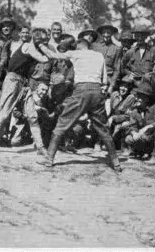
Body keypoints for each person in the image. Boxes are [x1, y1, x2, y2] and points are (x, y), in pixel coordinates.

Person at [35, 38, 122, 172]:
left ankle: (48, 159)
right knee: (103, 129)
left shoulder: (76, 53)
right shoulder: (99, 55)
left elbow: (52, 55)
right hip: (97, 91)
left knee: (62, 124)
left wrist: (40, 44)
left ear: (79, 46)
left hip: (81, 90)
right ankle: (116, 163)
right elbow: (104, 80)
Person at [0, 27, 51, 153]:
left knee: (32, 116)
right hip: (13, 80)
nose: (44, 42)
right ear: (36, 39)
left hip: (25, 82)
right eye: (42, 40)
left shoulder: (34, 48)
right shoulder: (28, 46)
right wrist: (58, 54)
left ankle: (41, 147)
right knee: (5, 114)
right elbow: (44, 59)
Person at [124, 82, 155, 165]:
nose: (138, 99)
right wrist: (134, 133)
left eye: (142, 97)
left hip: (154, 139)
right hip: (144, 138)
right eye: (138, 96)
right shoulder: (135, 111)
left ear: (147, 98)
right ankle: (139, 153)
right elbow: (132, 126)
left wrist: (147, 127)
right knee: (129, 138)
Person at [106, 76, 137, 149]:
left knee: (124, 125)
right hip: (113, 121)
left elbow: (128, 116)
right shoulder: (115, 94)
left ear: (129, 88)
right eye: (121, 86)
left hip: (124, 121)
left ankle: (124, 146)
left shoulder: (131, 98)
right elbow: (110, 110)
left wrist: (113, 118)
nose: (123, 89)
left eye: (126, 87)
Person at [93, 23, 122, 93]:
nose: (106, 35)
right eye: (104, 32)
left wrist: (112, 86)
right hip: (95, 79)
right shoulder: (94, 47)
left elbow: (117, 69)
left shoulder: (116, 49)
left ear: (112, 34)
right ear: (101, 34)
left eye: (108, 32)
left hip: (108, 80)